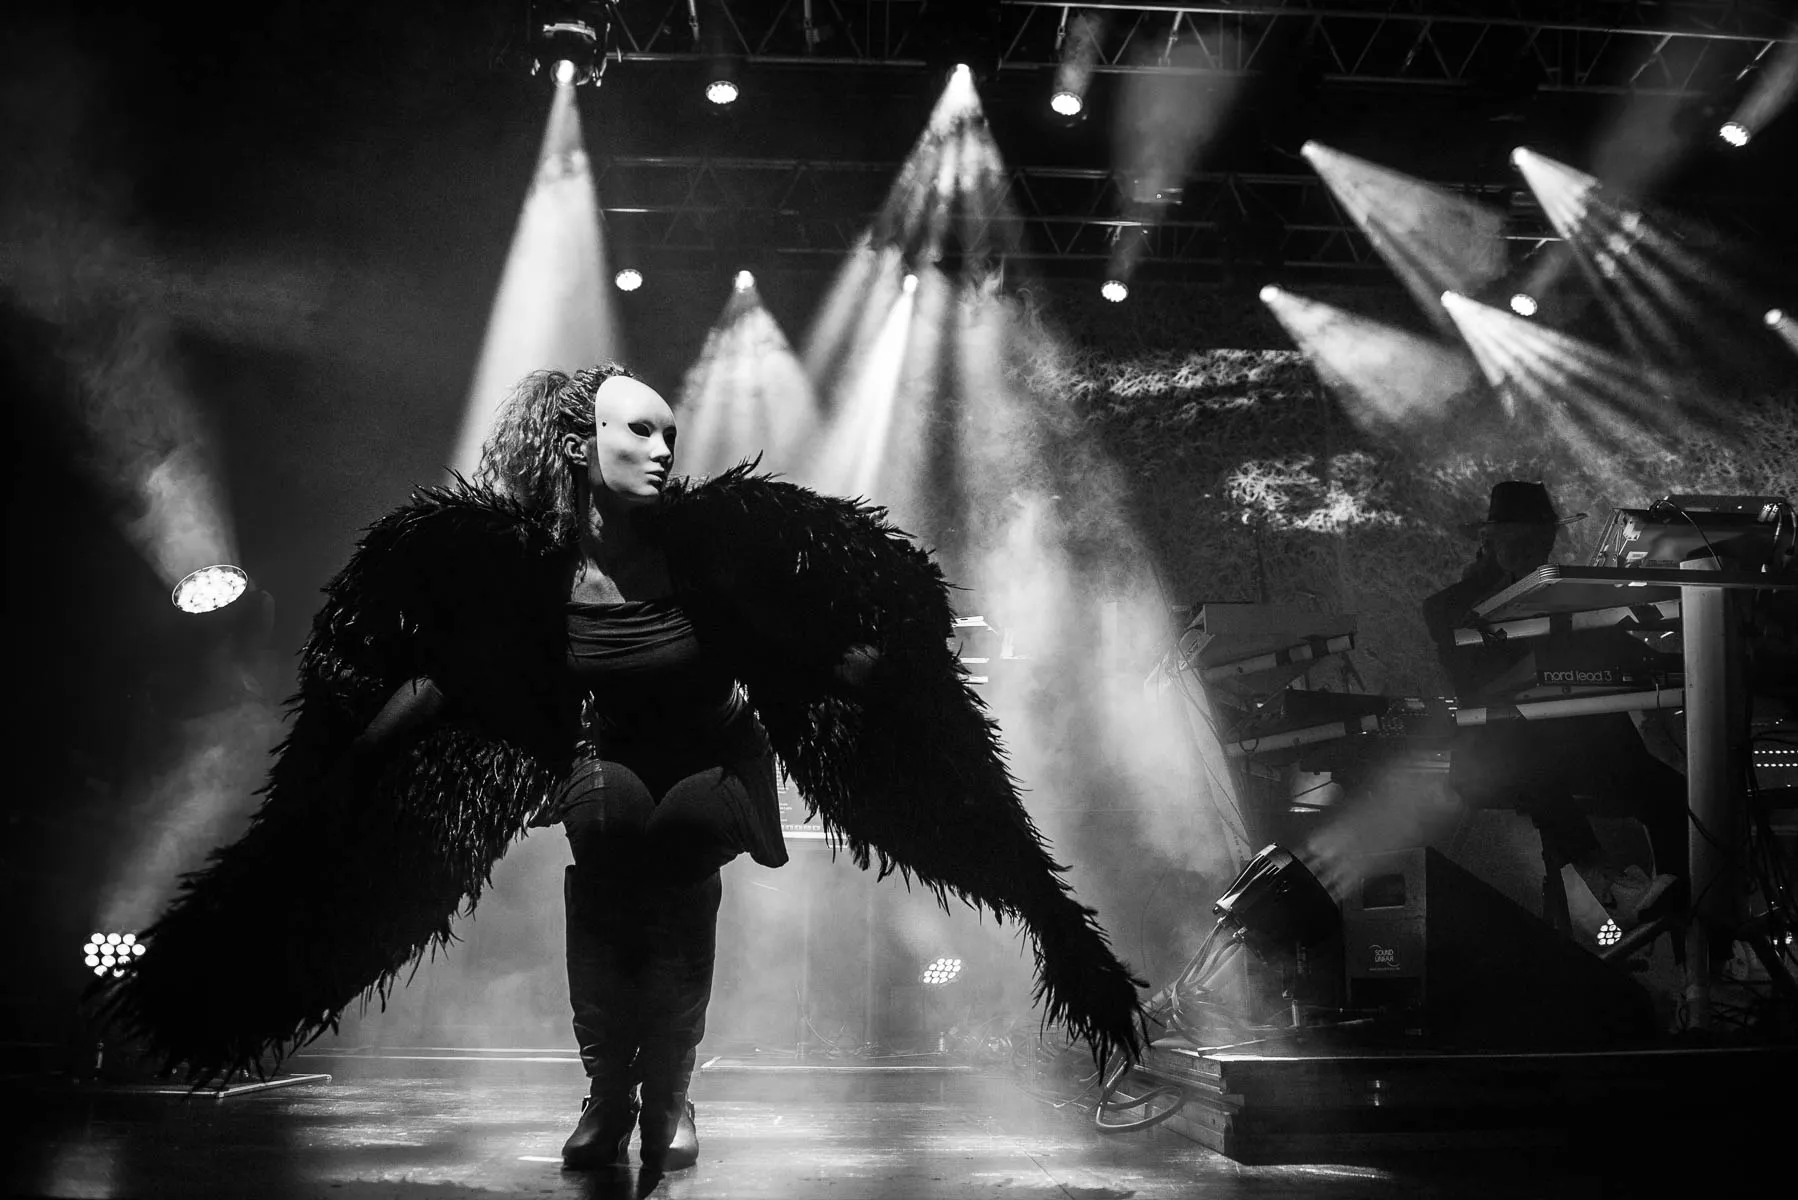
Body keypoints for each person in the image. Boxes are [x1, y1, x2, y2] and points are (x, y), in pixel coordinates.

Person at [103, 363, 1143, 1174]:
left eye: (669, 435)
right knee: (607, 846)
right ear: (576, 445)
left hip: (716, 756)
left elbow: (794, 647)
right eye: (638, 431)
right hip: (605, 763)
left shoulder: (708, 553)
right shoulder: (531, 571)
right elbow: (451, 677)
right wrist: (351, 766)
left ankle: (669, 1099)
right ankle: (611, 1097)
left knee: (674, 845)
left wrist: (883, 672)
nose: (661, 450)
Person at [1422, 481, 1682, 930]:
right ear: (1491, 539)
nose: (1536, 551)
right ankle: (1610, 883)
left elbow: (1618, 650)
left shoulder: (1565, 594)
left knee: (1673, 792)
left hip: (1584, 749)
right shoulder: (1452, 607)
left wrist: (1686, 661)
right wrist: (1544, 652)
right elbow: (1474, 686)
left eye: (1542, 541)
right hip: (1504, 756)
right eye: (1521, 540)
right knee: (1529, 749)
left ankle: (1677, 895)